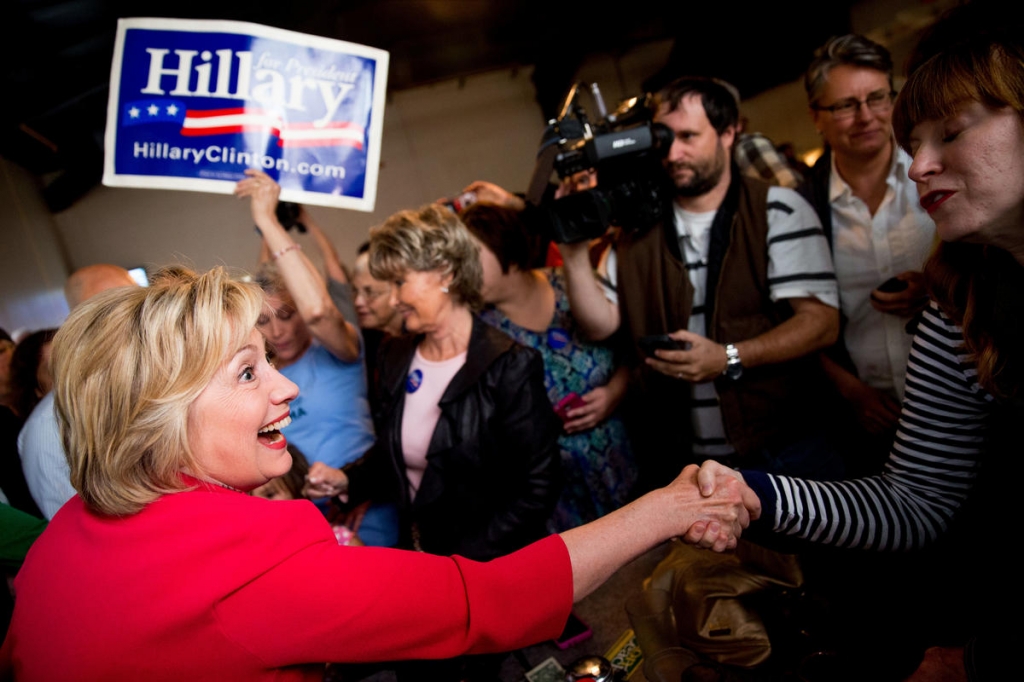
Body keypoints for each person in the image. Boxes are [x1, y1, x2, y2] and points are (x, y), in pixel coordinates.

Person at [0, 265, 754, 681]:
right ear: (160, 415)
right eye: (245, 373)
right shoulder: (248, 558)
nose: (285, 387)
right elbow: (489, 601)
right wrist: (667, 506)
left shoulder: (60, 540)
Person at [694, 18, 1024, 681]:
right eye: (914, 142)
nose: (918, 164)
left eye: (950, 133)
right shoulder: (961, 305)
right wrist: (752, 494)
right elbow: (914, 500)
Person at [557, 76, 841, 488]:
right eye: (664, 138)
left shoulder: (776, 209)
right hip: (687, 463)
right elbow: (599, 324)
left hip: (787, 447)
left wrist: (729, 356)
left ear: (728, 133)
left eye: (689, 136)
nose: (673, 153)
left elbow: (821, 323)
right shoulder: (637, 232)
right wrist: (574, 254)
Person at [307, 204, 565, 564]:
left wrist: (466, 563)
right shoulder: (394, 356)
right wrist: (346, 479)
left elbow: (539, 486)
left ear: (445, 273)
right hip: (421, 556)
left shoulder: (509, 366)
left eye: (400, 283)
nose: (394, 300)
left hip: (492, 564)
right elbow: (394, 452)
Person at [237, 170, 397, 547]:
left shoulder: (341, 349)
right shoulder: (254, 379)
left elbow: (319, 313)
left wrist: (268, 221)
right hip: (297, 521)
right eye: (263, 322)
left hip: (366, 503)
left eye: (288, 316)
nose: (277, 332)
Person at [800, 35, 936, 473]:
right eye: (844, 105)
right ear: (816, 117)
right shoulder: (802, 206)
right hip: (869, 418)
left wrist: (939, 288)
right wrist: (851, 392)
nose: (866, 117)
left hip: (963, 396)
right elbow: (796, 318)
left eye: (877, 98)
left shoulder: (934, 172)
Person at [461, 202, 636, 532]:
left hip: (624, 460)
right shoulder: (477, 329)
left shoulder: (572, 284)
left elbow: (631, 348)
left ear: (505, 246)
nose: (461, 270)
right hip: (555, 498)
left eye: (470, 256)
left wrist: (615, 391)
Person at [18, 265, 137, 520]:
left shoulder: (169, 384)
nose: (133, 316)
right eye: (109, 308)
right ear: (80, 321)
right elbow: (69, 526)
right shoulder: (50, 425)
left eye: (136, 300)